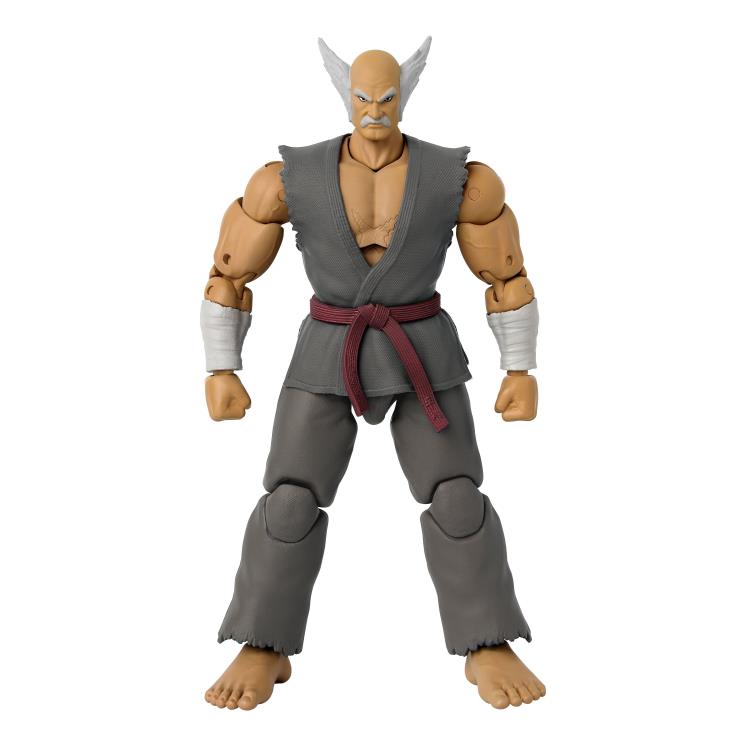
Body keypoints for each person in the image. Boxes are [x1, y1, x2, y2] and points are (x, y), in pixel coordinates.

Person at [200, 37, 545, 711]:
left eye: (387, 97)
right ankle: (263, 642)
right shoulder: (287, 178)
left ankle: (487, 640)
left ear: (405, 93)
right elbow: (230, 272)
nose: (376, 111)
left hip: (422, 346)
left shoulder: (459, 178)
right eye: (364, 98)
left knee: (457, 496)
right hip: (329, 345)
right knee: (290, 498)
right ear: (345, 94)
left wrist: (520, 367)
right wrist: (221, 366)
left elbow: (506, 273)